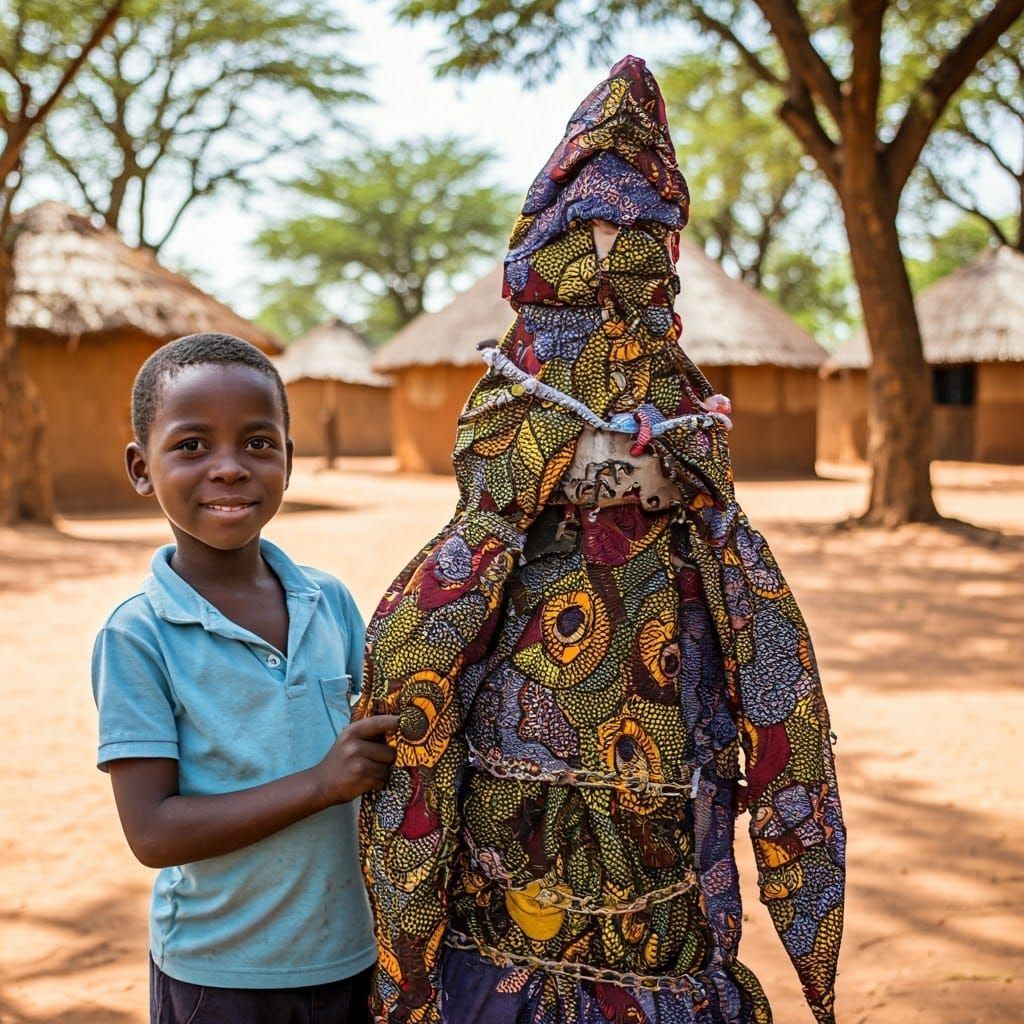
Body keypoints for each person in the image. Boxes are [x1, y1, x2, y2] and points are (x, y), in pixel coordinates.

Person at [356, 56, 845, 1024]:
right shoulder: (514, 381)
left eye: (637, 240)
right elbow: (488, 487)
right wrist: (589, 469)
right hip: (517, 684)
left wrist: (640, 467)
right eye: (588, 234)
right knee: (481, 815)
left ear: (667, 252)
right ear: (543, 247)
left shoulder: (680, 385)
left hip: (670, 680)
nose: (612, 252)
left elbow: (709, 494)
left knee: (663, 868)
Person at [91, 332, 398, 1024]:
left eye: (258, 443)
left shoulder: (331, 603)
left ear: (289, 460)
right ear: (142, 468)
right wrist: (322, 783)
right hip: (220, 972)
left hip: (352, 951)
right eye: (192, 445)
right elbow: (153, 833)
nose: (228, 468)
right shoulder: (138, 636)